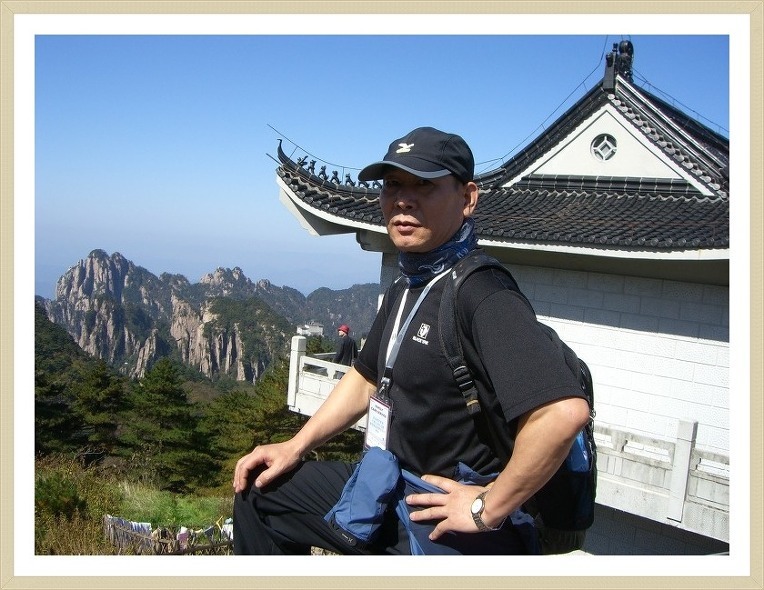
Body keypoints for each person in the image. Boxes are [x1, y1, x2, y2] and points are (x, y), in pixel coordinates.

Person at [232, 126, 590, 555]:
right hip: (388, 485)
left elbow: (562, 413)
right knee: (260, 492)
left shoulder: (482, 292)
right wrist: (295, 446)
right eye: (393, 185)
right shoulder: (408, 285)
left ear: (467, 198)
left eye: (424, 185)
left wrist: (486, 508)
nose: (403, 199)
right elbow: (366, 379)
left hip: (437, 515)